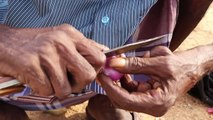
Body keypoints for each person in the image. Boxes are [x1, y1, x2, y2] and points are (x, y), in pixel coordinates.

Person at [0, 0, 212, 120]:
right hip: (18, 33)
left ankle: (106, 97)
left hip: (134, 24)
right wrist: (6, 41)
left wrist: (200, 59)